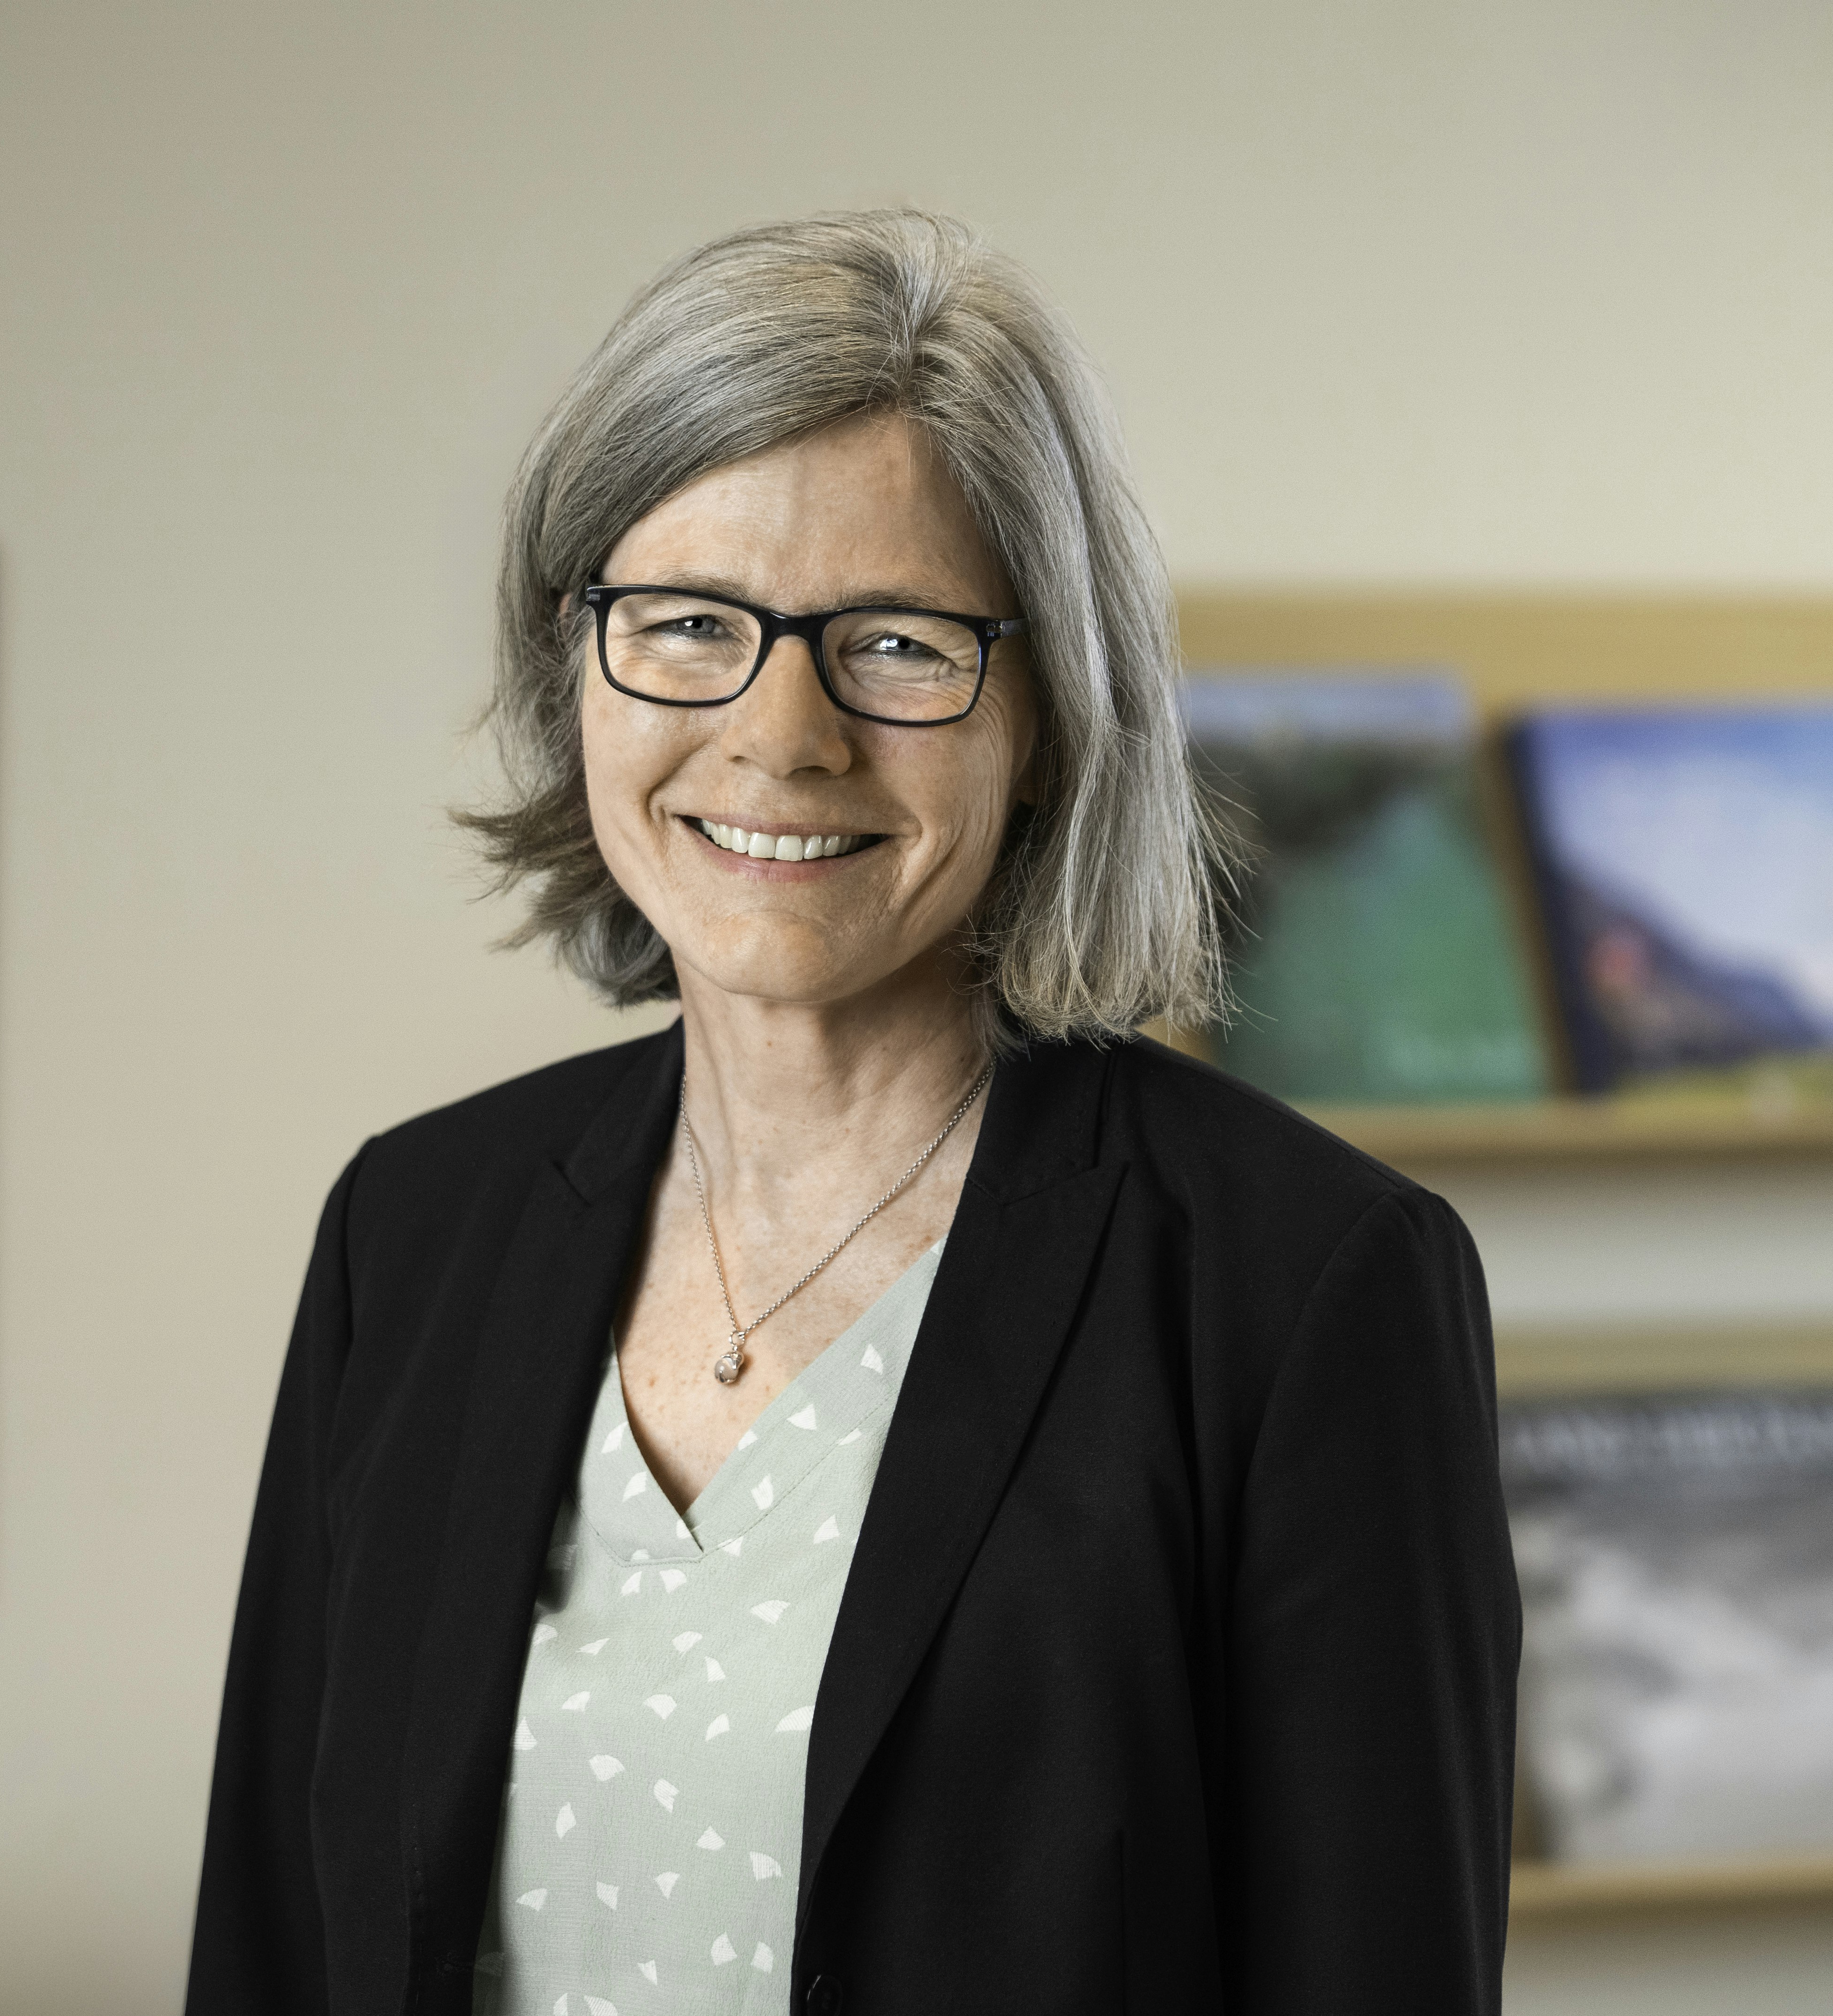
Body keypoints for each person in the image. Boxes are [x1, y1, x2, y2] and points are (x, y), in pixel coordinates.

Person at [184, 211, 1518, 2016]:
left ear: (1048, 708)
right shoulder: (412, 1233)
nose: (780, 731)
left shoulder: (1301, 1290)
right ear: (574, 664)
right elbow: (272, 1941)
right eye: (684, 624)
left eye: (893, 642)